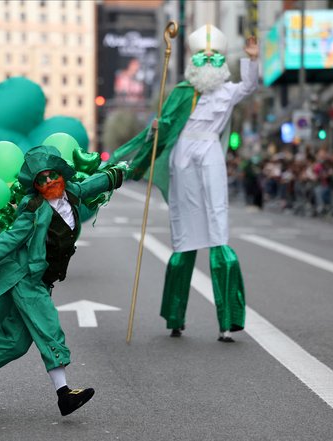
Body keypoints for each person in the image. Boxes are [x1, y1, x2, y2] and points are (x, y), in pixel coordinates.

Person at [0, 145, 125, 416]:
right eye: (41, 179)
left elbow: (91, 184)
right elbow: (7, 240)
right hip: (26, 278)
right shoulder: (33, 210)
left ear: (62, 174)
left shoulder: (71, 193)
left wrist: (118, 174)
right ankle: (64, 394)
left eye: (52, 175)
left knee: (15, 342)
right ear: (35, 184)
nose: (49, 181)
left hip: (44, 280)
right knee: (48, 326)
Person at [110, 25, 259, 343]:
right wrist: (157, 127)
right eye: (203, 55)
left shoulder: (228, 90)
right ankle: (175, 317)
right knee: (184, 237)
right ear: (194, 60)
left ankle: (228, 320)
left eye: (215, 55)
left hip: (210, 154)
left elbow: (249, 84)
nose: (209, 59)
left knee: (218, 230)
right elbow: (166, 124)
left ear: (221, 60)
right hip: (182, 159)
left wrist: (252, 59)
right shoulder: (180, 91)